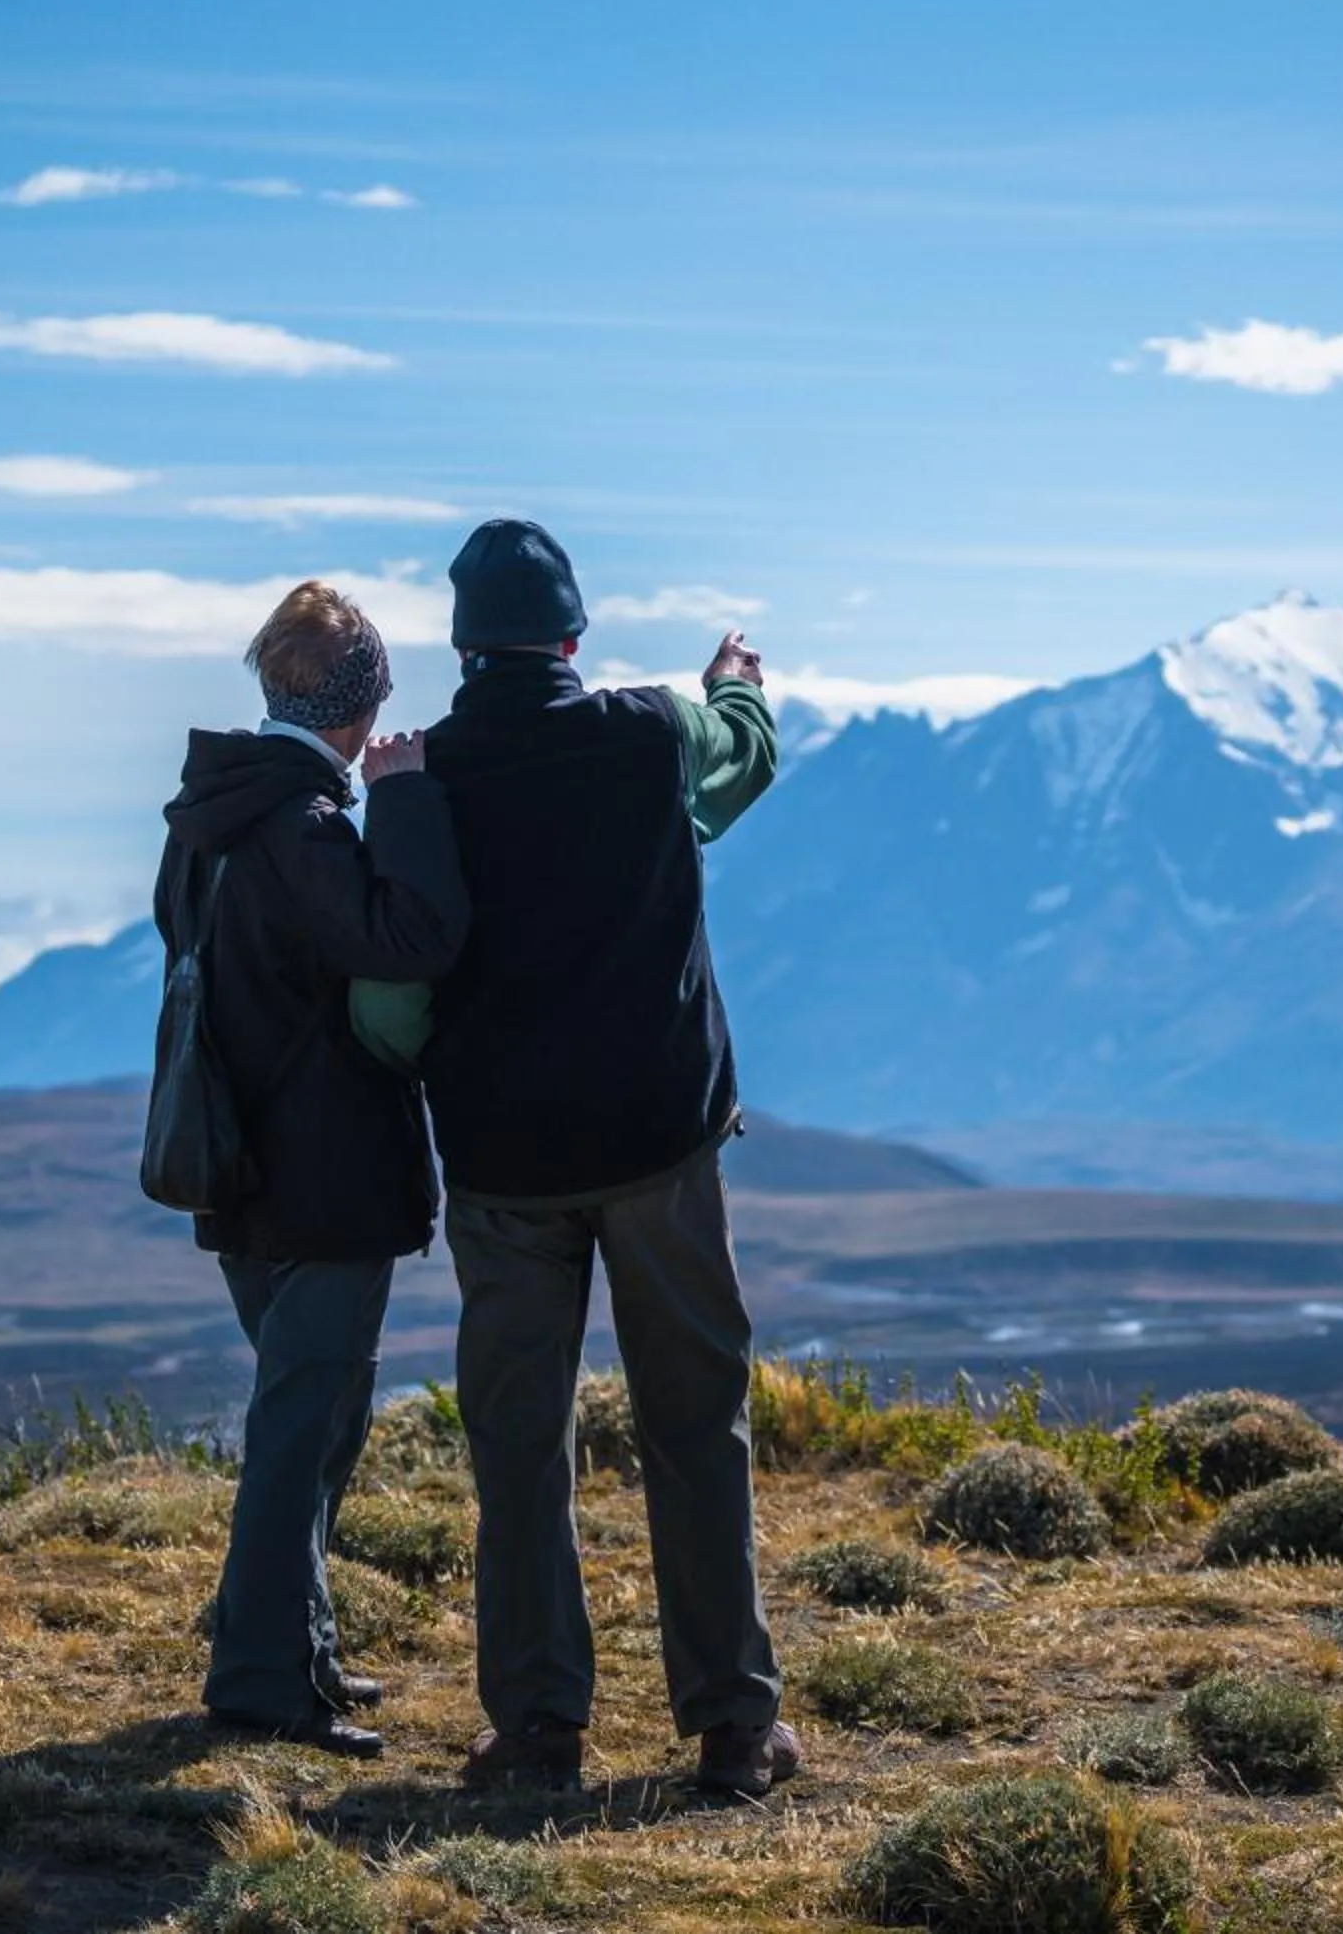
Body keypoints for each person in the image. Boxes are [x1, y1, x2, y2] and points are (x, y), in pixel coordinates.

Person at [385, 518, 792, 1797]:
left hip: (504, 1166)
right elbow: (741, 764)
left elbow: (393, 993)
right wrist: (735, 681)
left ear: (462, 647)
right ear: (572, 634)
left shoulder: (427, 774)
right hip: (662, 1145)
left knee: (519, 1443)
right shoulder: (648, 729)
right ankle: (733, 1725)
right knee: (696, 1424)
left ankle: (540, 1732)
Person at [155, 580, 470, 1761]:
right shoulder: (305, 826)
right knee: (304, 1428)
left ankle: (303, 1650)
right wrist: (408, 800)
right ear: (365, 697)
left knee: (319, 1422)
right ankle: (259, 1679)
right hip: (327, 1177)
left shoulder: (206, 824)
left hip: (233, 1172)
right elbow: (410, 941)